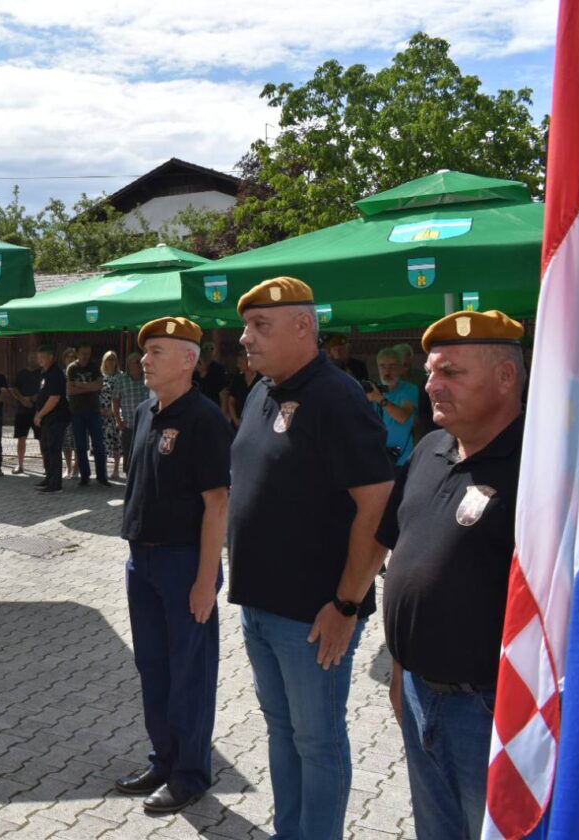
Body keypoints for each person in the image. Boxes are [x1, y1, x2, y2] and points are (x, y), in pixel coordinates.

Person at [228, 277, 394, 840]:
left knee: (317, 741)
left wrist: (346, 604)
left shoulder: (336, 396)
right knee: (282, 731)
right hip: (260, 607)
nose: (245, 338)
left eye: (260, 326)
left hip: (314, 616)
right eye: (246, 327)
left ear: (304, 326)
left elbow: (377, 504)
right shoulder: (262, 390)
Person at [376, 311, 526, 840]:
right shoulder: (430, 449)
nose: (432, 385)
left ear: (505, 377)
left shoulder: (538, 467)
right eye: (431, 372)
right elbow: (403, 555)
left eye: (452, 373)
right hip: (420, 692)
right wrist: (401, 669)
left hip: (489, 710)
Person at [114, 317, 233, 815]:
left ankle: (189, 774)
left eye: (157, 351)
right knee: (153, 667)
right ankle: (163, 760)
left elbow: (217, 503)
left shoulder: (205, 419)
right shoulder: (146, 411)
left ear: (188, 360)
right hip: (142, 561)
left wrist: (206, 579)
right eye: (146, 351)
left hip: (185, 564)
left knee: (189, 674)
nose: (145, 359)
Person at [367, 347, 419, 471]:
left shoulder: (410, 389)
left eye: (392, 366)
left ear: (401, 368)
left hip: (401, 459)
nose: (387, 371)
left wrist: (379, 399)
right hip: (376, 457)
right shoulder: (372, 390)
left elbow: (403, 417)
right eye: (383, 366)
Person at [67, 341, 110, 487]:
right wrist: (90, 387)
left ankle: (102, 476)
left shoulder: (94, 367)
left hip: (94, 411)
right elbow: (70, 390)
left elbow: (99, 386)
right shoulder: (72, 368)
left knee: (98, 445)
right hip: (77, 412)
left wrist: (80, 385)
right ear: (77, 353)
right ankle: (85, 476)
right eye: (83, 353)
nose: (86, 356)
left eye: (88, 353)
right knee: (80, 445)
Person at [32, 344, 70, 494]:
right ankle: (49, 478)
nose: (40, 360)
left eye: (43, 357)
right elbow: (43, 396)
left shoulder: (56, 374)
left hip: (56, 418)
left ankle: (56, 484)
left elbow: (54, 398)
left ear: (51, 357)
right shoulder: (44, 373)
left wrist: (40, 414)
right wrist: (38, 413)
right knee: (46, 449)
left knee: (53, 450)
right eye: (38, 357)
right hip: (47, 419)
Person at [115, 352, 149, 476]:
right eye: (137, 362)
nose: (140, 364)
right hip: (128, 425)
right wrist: (118, 421)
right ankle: (129, 481)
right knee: (128, 457)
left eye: (141, 362)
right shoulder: (121, 379)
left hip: (145, 425)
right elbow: (115, 401)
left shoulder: (147, 378)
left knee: (143, 456)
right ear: (129, 365)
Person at [10, 352, 42, 474]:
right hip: (22, 412)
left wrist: (35, 397)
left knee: (42, 439)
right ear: (28, 359)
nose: (33, 359)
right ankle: (20, 465)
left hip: (38, 412)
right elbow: (14, 389)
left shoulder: (43, 373)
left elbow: (46, 389)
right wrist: (22, 399)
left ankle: (46, 466)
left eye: (35, 357)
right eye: (31, 357)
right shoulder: (21, 373)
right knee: (21, 439)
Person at [396, 341, 435, 441]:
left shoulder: (422, 377)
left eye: (408, 356)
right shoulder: (392, 379)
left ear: (412, 359)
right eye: (401, 358)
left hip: (420, 424)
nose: (405, 361)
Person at [100, 350, 124, 481]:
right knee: (102, 442)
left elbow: (123, 396)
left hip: (116, 414)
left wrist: (114, 410)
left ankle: (116, 469)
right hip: (101, 414)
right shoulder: (99, 377)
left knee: (116, 442)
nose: (110, 362)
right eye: (108, 359)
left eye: (113, 359)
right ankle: (102, 469)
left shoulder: (121, 376)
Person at [224, 352, 259, 428]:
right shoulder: (237, 379)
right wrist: (236, 421)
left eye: (240, 363)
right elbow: (231, 402)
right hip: (238, 423)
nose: (238, 366)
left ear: (248, 362)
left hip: (255, 423)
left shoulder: (260, 380)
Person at [60, 347, 78, 477]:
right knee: (66, 441)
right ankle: (68, 467)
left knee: (78, 441)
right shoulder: (60, 375)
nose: (70, 359)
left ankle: (76, 468)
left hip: (78, 411)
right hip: (64, 412)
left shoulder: (80, 374)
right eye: (68, 357)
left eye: (73, 357)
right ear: (64, 359)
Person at [193, 342, 228, 408]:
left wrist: (222, 412)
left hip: (213, 407)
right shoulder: (193, 372)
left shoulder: (217, 369)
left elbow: (223, 394)